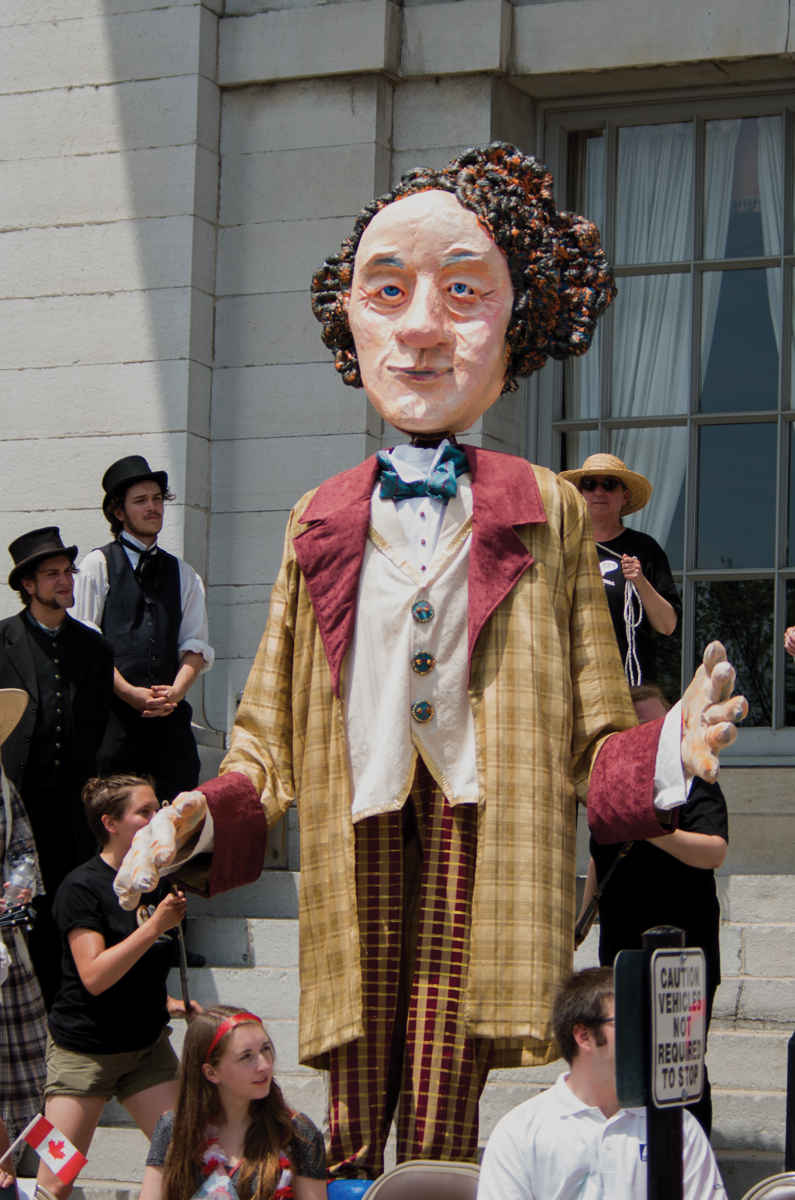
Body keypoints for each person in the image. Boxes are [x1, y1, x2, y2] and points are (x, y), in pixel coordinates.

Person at [112, 143, 748, 1178]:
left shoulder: (542, 504)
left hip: (479, 815)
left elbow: (596, 726)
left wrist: (668, 745)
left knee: (453, 1058)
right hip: (358, 808)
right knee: (355, 1051)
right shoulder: (315, 515)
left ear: (517, 321)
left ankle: (440, 1187)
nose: (419, 327)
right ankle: (354, 1183)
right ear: (350, 321)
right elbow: (266, 738)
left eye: (462, 292)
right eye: (389, 290)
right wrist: (197, 814)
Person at [38, 774, 200, 1200]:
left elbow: (138, 967)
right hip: (82, 1053)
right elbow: (93, 976)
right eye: (143, 811)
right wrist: (156, 927)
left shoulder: (157, 878)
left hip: (146, 1048)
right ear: (110, 823)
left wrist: (169, 1002)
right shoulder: (81, 887)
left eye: (156, 807)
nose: (155, 818)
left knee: (189, 1158)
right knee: (55, 1180)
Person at [577, 682, 728, 1137]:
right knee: (626, 1060)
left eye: (654, 725)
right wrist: (581, 919)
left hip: (683, 950)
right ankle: (635, 1152)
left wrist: (651, 830)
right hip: (622, 948)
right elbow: (598, 855)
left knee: (679, 1067)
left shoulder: (694, 778)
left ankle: (686, 1162)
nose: (645, 733)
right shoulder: (607, 782)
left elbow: (714, 850)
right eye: (635, 725)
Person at [477, 967, 725, 1199]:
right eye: (630, 1022)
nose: (646, 1033)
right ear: (584, 1036)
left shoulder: (680, 1128)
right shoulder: (519, 1132)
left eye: (649, 1021)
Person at [0, 527, 114, 1008]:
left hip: (74, 805)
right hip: (18, 802)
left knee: (72, 902)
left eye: (67, 571)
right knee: (23, 906)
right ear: (29, 584)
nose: (65, 581)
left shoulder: (94, 647)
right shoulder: (2, 639)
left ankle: (68, 1006)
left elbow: (101, 729)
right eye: (53, 574)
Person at [70, 455, 214, 802]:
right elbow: (85, 645)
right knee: (116, 819)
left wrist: (176, 693)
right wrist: (128, 693)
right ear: (119, 513)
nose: (153, 507)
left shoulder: (183, 573)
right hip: (114, 724)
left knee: (176, 820)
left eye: (157, 499)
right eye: (141, 501)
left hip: (170, 725)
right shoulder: (97, 565)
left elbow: (196, 645)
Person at [140, 1006, 327, 1200]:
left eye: (265, 1049)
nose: (264, 1065)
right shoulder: (173, 1128)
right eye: (246, 1056)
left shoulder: (297, 1133)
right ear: (211, 1073)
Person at [559, 454, 682, 685]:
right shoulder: (563, 545)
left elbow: (667, 625)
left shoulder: (645, 548)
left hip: (629, 682)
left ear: (624, 496)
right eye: (589, 484)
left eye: (609, 484)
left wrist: (641, 582)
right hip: (574, 681)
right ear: (580, 494)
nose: (598, 492)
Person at [0, 687, 47, 1160]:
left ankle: (19, 1157)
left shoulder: (2, 787)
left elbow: (23, 850)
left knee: (25, 1050)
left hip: (3, 933)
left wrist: (12, 897)